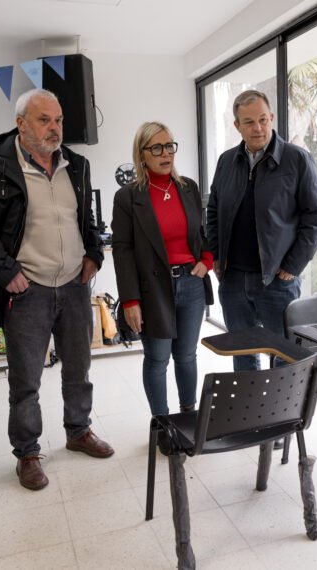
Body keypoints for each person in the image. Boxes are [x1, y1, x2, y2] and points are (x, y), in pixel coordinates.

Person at [0, 88, 114, 492]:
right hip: (26, 289)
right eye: (44, 119)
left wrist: (93, 254)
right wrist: (5, 272)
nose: (54, 128)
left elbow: (86, 217)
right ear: (21, 124)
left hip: (75, 286)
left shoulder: (76, 165)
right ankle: (27, 453)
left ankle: (78, 431)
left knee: (79, 369)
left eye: (58, 120)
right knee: (26, 380)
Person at [205, 90, 317, 370]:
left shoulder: (297, 159)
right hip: (233, 281)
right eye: (249, 122)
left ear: (271, 117)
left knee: (285, 356)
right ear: (237, 125)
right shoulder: (226, 161)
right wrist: (217, 255)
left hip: (277, 280)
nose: (258, 128)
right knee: (242, 353)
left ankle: (283, 403)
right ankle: (251, 401)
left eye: (263, 119)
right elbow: (212, 211)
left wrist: (293, 265)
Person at [112, 122, 214, 415]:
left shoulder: (188, 187)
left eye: (169, 146)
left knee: (187, 356)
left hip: (191, 283)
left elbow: (201, 233)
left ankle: (188, 416)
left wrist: (207, 260)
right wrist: (130, 300)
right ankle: (162, 424)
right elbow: (122, 250)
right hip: (153, 288)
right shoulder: (128, 196)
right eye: (156, 148)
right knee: (158, 359)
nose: (166, 153)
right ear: (141, 154)